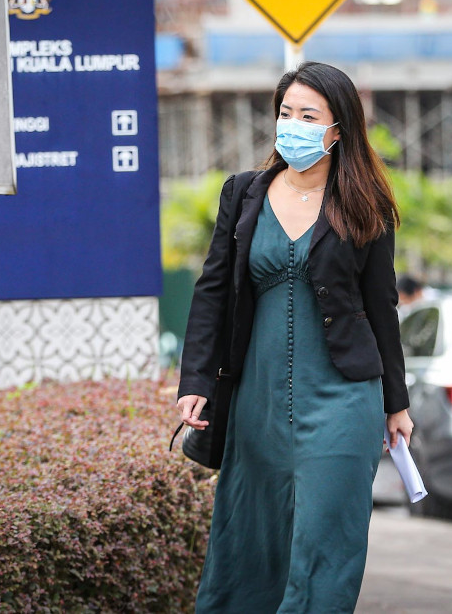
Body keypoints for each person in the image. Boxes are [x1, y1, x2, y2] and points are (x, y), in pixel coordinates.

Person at [176, 61, 414, 613]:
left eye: (309, 115)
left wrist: (395, 404)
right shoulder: (243, 194)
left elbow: (383, 308)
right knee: (251, 546)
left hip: (342, 400)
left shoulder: (365, 203)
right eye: (286, 113)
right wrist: (196, 381)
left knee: (326, 549)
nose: (293, 125)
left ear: (338, 131)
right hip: (256, 401)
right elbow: (212, 291)